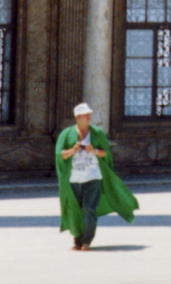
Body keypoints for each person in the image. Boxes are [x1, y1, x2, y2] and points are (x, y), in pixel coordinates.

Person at [55, 103, 138, 250]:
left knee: (89, 209)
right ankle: (77, 240)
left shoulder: (97, 133)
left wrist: (93, 150)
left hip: (93, 176)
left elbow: (106, 153)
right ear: (77, 117)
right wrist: (73, 150)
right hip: (74, 178)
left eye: (89, 115)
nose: (89, 117)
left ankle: (87, 241)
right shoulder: (67, 134)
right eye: (85, 115)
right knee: (76, 209)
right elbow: (59, 154)